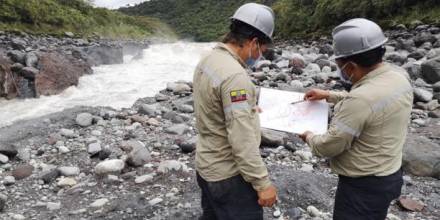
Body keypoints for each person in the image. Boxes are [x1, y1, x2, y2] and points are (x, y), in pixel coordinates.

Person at [299, 18, 413, 220]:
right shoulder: (398, 76)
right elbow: (374, 103)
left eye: (340, 65)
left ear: (350, 67)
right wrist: (329, 95)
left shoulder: (360, 100)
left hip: (362, 187)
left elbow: (329, 146)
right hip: (390, 174)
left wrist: (309, 136)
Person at [193, 3, 277, 220]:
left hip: (206, 165)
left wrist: (247, 110)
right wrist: (262, 183)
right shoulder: (235, 77)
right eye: (262, 50)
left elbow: (212, 104)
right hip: (228, 177)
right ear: (254, 42)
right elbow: (242, 141)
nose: (260, 55)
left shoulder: (209, 58)